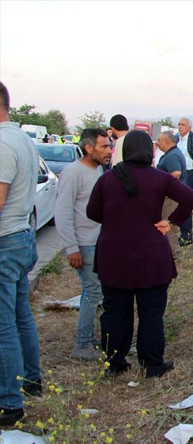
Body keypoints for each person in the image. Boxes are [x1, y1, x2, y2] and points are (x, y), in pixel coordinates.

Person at [87, 130, 193, 378]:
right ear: (150, 151)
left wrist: (117, 220)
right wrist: (171, 221)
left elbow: (92, 212)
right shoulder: (159, 178)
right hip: (151, 255)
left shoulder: (108, 179)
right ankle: (152, 364)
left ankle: (115, 362)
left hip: (113, 255)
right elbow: (190, 197)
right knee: (151, 313)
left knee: (115, 311)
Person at [0, 81, 42, 426]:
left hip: (5, 239)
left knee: (3, 325)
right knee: (20, 314)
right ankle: (31, 380)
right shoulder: (22, 140)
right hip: (22, 237)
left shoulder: (2, 143)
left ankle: (10, 403)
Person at [54, 128, 111, 361]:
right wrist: (72, 247)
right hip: (84, 244)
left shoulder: (98, 170)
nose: (109, 151)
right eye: (104, 146)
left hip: (99, 242)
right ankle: (82, 345)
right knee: (92, 293)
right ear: (89, 148)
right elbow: (62, 211)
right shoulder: (72, 173)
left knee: (98, 292)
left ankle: (89, 337)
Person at [156, 131, 187, 253]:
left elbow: (176, 173)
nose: (157, 143)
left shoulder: (172, 156)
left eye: (159, 140)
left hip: (170, 198)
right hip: (171, 196)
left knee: (169, 226)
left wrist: (163, 188)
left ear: (167, 142)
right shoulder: (172, 153)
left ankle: (171, 253)